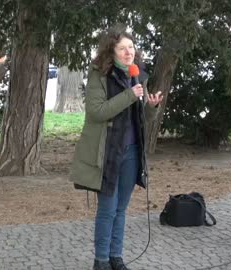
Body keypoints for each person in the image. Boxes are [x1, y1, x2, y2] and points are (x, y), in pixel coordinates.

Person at [70, 25, 163, 270]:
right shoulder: (99, 75)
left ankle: (116, 258)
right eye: (122, 48)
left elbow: (140, 118)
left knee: (121, 209)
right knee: (108, 209)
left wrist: (150, 108)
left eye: (131, 47)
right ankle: (100, 261)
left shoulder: (138, 74)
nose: (128, 52)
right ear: (111, 51)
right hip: (108, 153)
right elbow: (96, 112)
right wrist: (130, 95)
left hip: (132, 152)